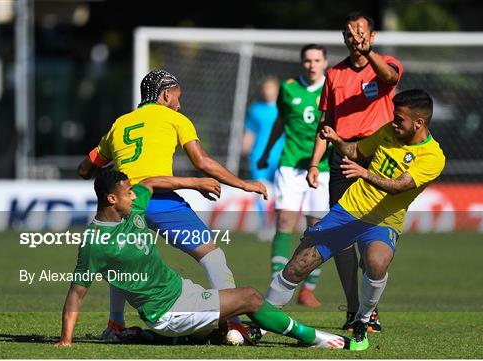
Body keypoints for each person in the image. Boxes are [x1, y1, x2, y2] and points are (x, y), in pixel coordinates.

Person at [54, 169, 351, 350]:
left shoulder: (134, 207)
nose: (134, 196)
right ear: (111, 200)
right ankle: (312, 337)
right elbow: (76, 293)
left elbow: (153, 181)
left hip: (182, 293)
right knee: (249, 297)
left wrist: (196, 182)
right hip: (168, 312)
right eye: (127, 193)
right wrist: (67, 340)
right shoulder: (96, 243)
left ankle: (156, 337)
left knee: (223, 330)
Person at [77, 70, 268, 338]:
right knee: (212, 255)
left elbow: (86, 168)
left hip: (127, 203)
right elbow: (202, 162)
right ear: (166, 95)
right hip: (159, 201)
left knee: (122, 259)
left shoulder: (119, 124)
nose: (179, 104)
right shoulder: (175, 118)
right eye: (178, 97)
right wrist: (244, 184)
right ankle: (233, 325)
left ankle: (115, 325)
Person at [267, 89, 445, 350]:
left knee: (376, 262)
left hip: (384, 220)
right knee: (298, 266)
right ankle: (262, 320)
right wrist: (337, 139)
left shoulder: (433, 157)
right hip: (348, 211)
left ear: (419, 123)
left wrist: (365, 173)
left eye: (400, 119)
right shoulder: (388, 131)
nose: (394, 123)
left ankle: (362, 320)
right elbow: (356, 150)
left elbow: (398, 186)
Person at [306, 11, 403, 331]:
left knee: (369, 236)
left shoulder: (386, 63)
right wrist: (314, 162)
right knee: (341, 238)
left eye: (361, 32)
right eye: (349, 33)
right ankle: (352, 308)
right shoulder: (334, 74)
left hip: (377, 158)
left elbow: (389, 79)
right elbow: (326, 122)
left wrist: (368, 54)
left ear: (372, 37)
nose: (355, 38)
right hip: (342, 159)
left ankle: (368, 309)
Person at [257, 44, 331, 308]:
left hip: (321, 168)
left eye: (317, 60)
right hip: (289, 165)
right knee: (285, 222)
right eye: (308, 60)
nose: (312, 64)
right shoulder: (288, 88)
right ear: (302, 63)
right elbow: (280, 122)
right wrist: (267, 152)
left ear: (324, 63)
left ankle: (308, 289)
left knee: (318, 229)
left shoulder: (331, 89)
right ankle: (277, 284)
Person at [242, 76, 283, 182]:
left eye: (270, 87)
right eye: (265, 88)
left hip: (280, 156)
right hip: (259, 155)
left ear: (277, 89)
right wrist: (244, 148)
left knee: (279, 191)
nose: (267, 91)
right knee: (260, 189)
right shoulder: (255, 109)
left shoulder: (285, 108)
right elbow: (250, 132)